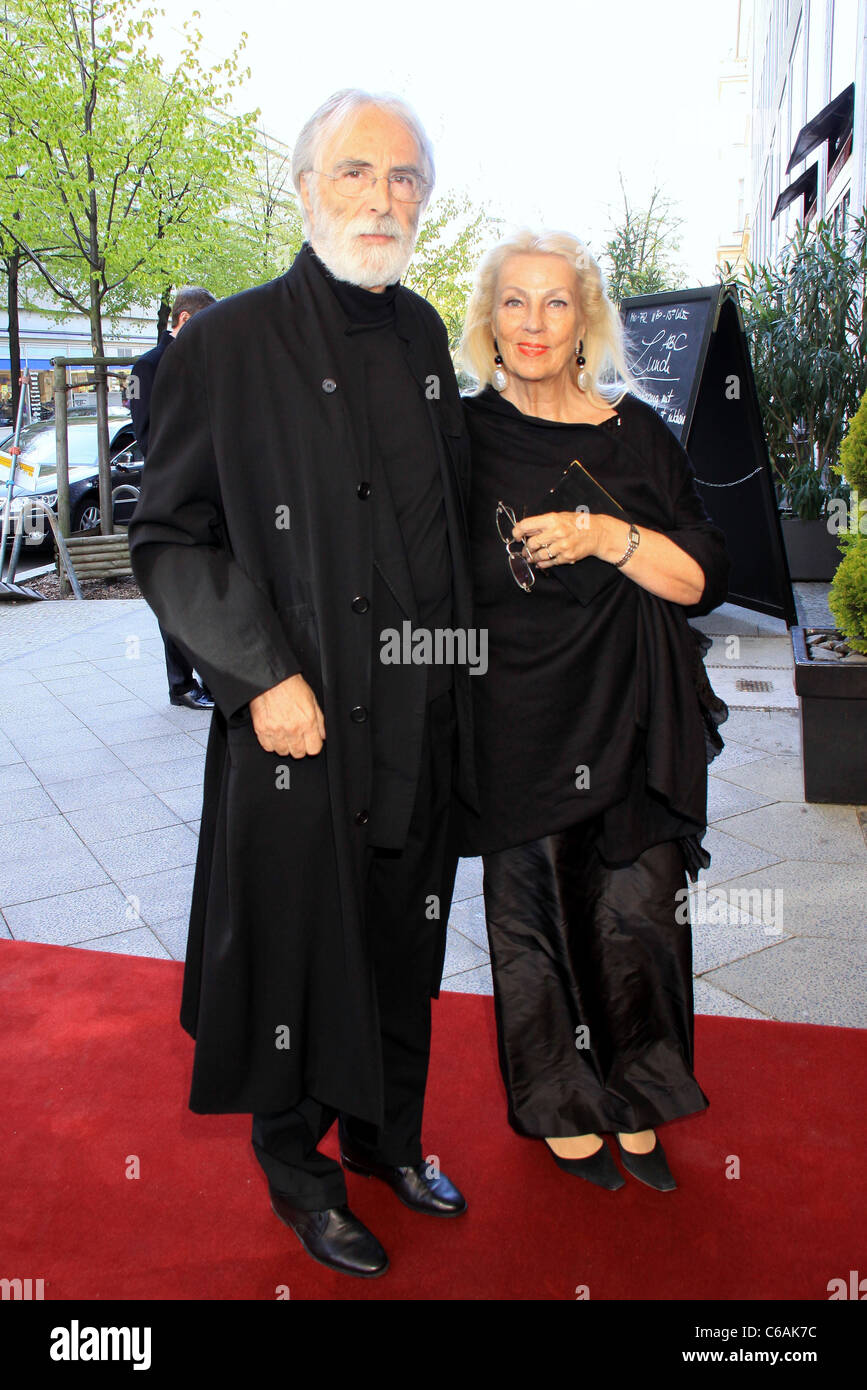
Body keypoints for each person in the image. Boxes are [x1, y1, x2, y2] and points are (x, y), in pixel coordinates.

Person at [128, 89, 479, 1279]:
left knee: (405, 952)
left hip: (419, 718)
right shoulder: (224, 346)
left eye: (405, 179)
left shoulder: (428, 334)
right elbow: (170, 534)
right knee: (295, 956)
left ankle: (391, 1142)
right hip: (302, 723)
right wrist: (258, 671)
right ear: (304, 187)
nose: (383, 198)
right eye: (356, 172)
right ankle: (304, 1178)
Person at [456, 229, 729, 1193]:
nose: (533, 323)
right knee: (530, 923)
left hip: (629, 715)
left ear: (585, 322)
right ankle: (559, 1100)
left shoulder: (637, 434)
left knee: (636, 917)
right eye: (515, 302)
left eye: (556, 302)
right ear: (489, 319)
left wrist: (606, 533)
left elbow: (697, 579)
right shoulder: (460, 438)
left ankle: (641, 1089)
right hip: (515, 718)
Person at [129, 287, 217, 711]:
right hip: (169, 494)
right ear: (183, 320)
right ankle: (181, 684)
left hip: (205, 492)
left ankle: (209, 676)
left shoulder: (202, 360)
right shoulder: (146, 367)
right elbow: (146, 435)